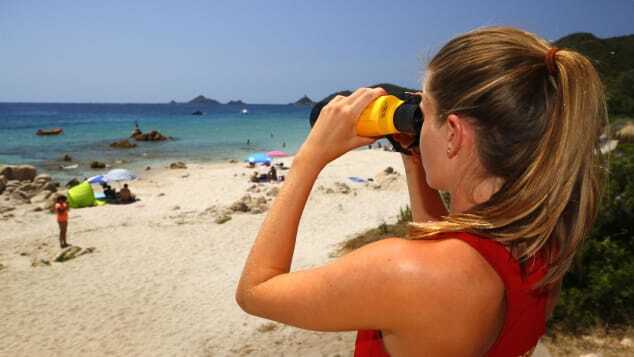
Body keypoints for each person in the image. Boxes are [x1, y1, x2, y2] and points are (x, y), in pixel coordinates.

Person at [235, 27, 607, 356]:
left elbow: (256, 291)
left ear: (455, 135)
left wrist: (308, 160)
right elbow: (450, 251)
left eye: (424, 111)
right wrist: (414, 156)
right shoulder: (547, 241)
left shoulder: (404, 272)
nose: (418, 120)